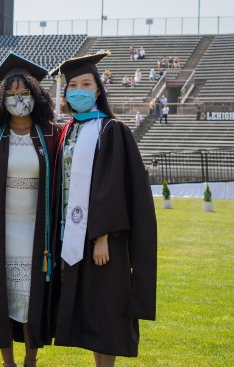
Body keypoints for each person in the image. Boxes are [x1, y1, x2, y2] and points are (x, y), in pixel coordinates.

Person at [48, 51, 157, 365]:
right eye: (73, 86)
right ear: (67, 93)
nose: (79, 90)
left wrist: (103, 236)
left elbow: (113, 187)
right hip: (72, 235)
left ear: (97, 90)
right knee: (89, 311)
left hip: (102, 239)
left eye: (86, 84)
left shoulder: (111, 130)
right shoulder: (69, 131)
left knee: (106, 311)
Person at [0, 53, 60, 367]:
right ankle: (8, 361)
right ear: (1, 98)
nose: (18, 99)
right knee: (3, 296)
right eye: (11, 94)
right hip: (1, 231)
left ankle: (30, 360)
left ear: (36, 95)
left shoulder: (52, 134)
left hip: (36, 231)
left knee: (29, 297)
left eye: (24, 93)